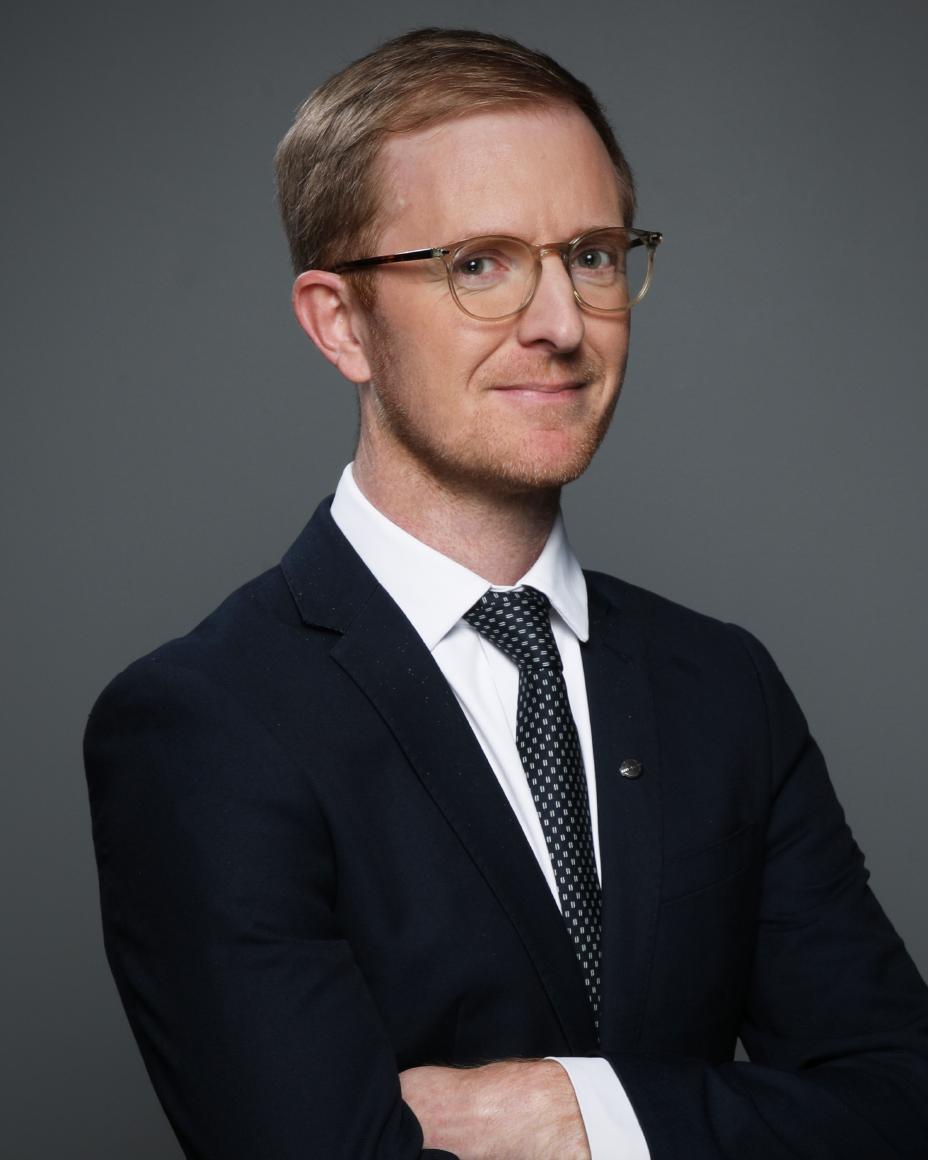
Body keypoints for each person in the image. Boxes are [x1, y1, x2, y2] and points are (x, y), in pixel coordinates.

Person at [84, 26, 928, 1160]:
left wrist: (586, 1115)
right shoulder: (207, 721)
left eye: (588, 253)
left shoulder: (721, 683)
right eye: (477, 263)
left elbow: (901, 1097)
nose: (562, 324)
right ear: (342, 322)